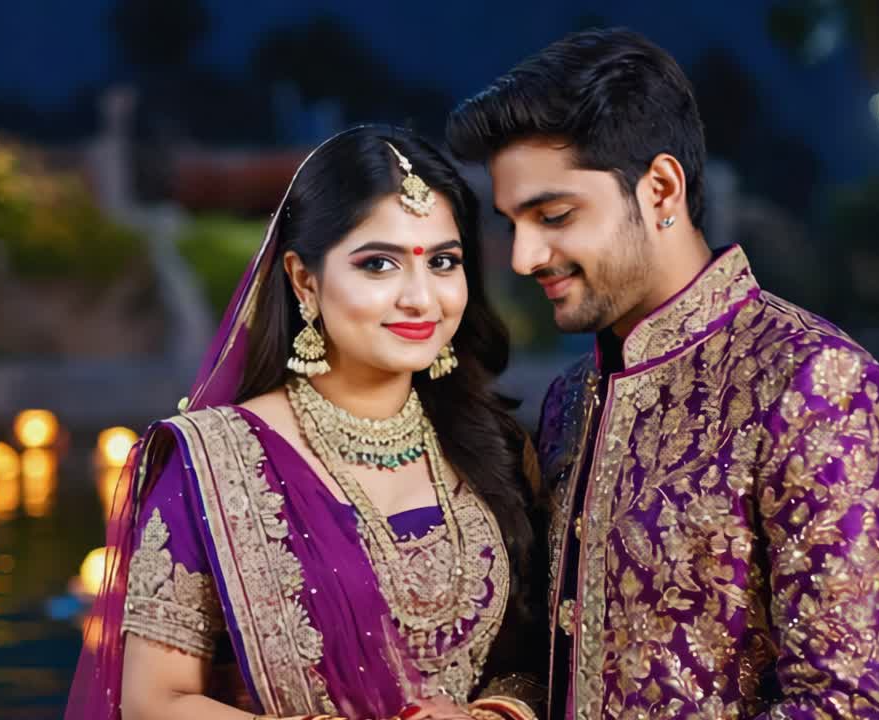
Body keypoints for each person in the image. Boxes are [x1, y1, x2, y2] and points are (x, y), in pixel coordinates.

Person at [446, 28, 879, 720]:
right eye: (512, 222)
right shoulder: (570, 400)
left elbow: (848, 706)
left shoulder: (816, 384)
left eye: (553, 216)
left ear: (661, 189)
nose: (524, 256)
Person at [66, 126, 546, 720]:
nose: (422, 298)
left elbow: (538, 662)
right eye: (379, 265)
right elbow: (152, 701)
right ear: (304, 280)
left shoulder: (494, 446)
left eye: (443, 262)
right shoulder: (214, 462)